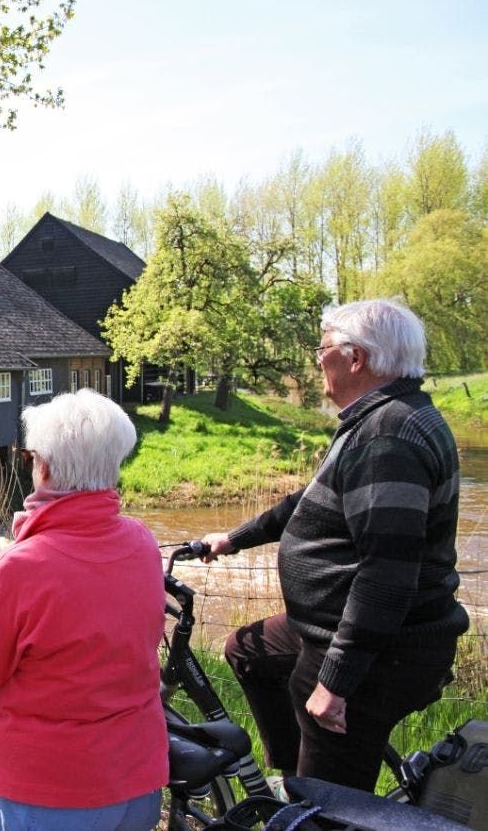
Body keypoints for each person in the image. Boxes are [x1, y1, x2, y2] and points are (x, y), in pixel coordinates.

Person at [202, 299, 468, 792]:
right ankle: (293, 779)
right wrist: (235, 539)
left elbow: (387, 574)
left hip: (382, 650)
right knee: (250, 650)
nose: (316, 360)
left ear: (355, 358)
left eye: (322, 349)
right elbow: (311, 501)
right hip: (331, 629)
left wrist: (336, 682)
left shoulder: (390, 437)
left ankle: (317, 798)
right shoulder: (378, 419)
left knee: (332, 808)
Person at [0, 389, 167, 831]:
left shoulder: (17, 570)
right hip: (137, 779)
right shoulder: (141, 542)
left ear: (42, 466)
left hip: (52, 794)